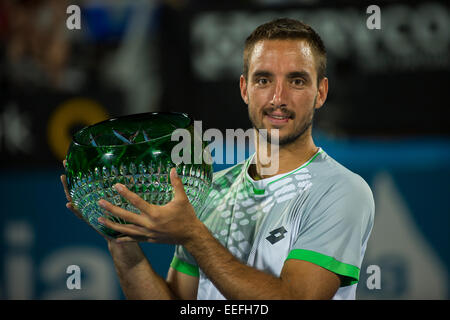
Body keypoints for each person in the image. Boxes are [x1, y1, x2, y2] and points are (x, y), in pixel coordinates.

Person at [61, 18, 374, 300]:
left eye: (296, 81)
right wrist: (120, 236)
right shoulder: (210, 191)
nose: (278, 98)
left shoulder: (342, 191)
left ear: (321, 92)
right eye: (263, 80)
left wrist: (194, 235)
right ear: (244, 89)